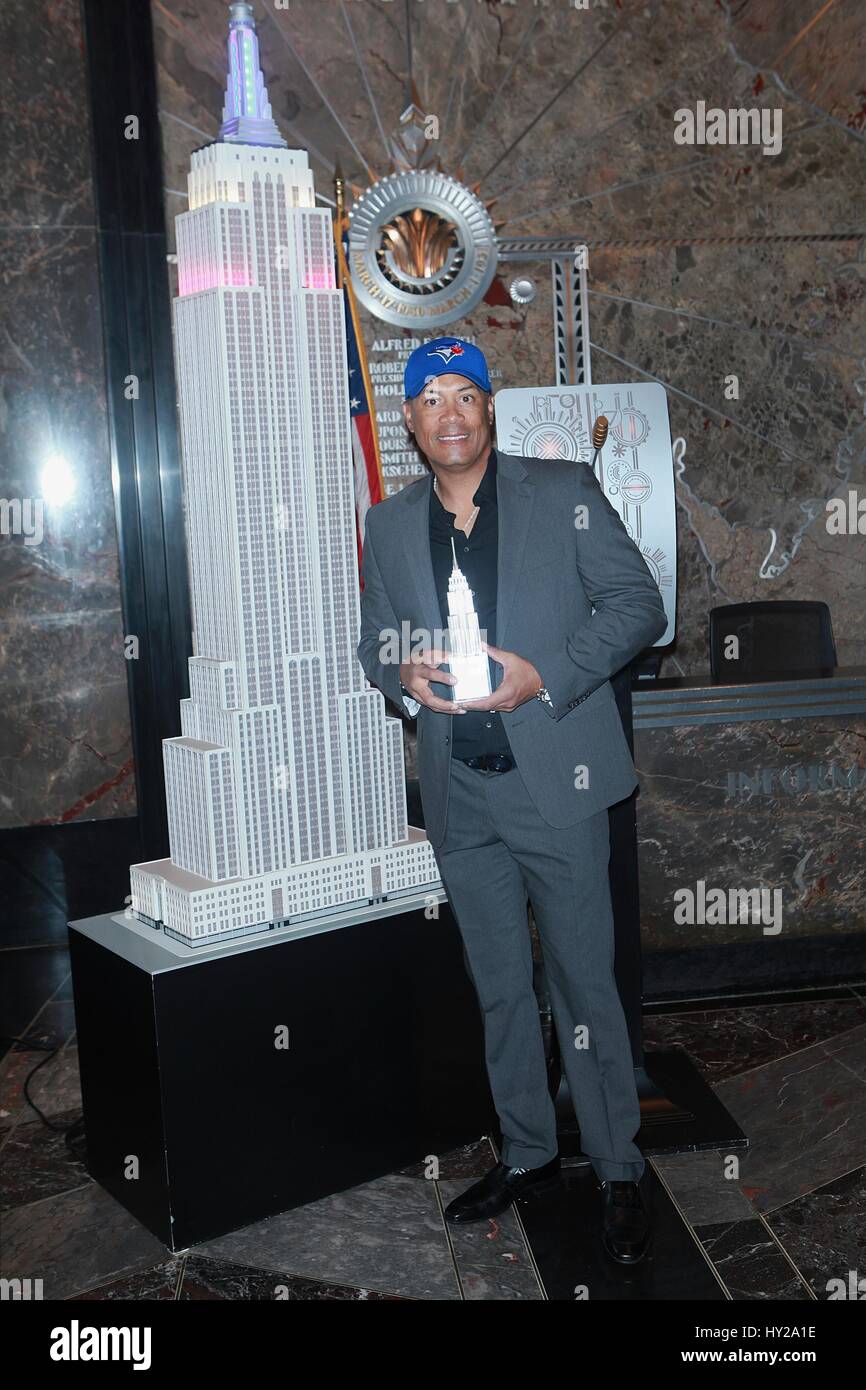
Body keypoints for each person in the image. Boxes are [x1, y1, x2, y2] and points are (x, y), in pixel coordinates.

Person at [356, 337, 666, 1263]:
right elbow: (374, 639)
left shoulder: (562, 491)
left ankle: (618, 1169)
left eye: (466, 395)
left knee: (583, 986)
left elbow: (637, 605)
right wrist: (400, 671)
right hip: (460, 794)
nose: (449, 413)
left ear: (489, 410)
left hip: (558, 788)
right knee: (499, 990)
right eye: (430, 400)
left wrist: (546, 678)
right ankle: (528, 1155)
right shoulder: (387, 524)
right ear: (410, 420)